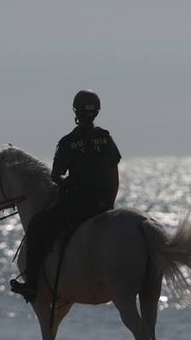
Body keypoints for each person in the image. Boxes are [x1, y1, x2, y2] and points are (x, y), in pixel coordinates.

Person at [10, 89, 121, 302]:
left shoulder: (69, 141)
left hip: (77, 205)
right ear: (97, 111)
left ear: (76, 111)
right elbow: (114, 176)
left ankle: (31, 285)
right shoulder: (106, 139)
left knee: (37, 226)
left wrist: (67, 184)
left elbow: (55, 176)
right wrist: (109, 203)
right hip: (103, 204)